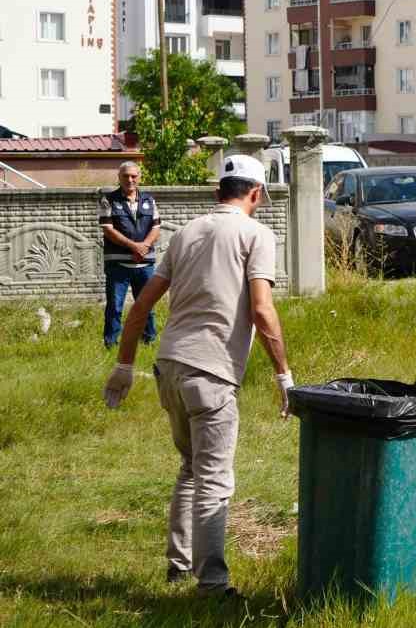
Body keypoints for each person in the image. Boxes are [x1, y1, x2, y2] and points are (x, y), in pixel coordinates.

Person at [101, 155, 293, 597]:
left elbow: (141, 305)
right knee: (214, 479)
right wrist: (284, 375)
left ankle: (178, 565)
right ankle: (212, 583)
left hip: (169, 365)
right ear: (256, 194)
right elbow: (262, 310)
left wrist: (124, 364)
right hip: (212, 373)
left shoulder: (186, 232)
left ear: (216, 193)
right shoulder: (256, 234)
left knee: (190, 469)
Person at [100, 160, 161, 348]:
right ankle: (111, 344)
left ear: (139, 178)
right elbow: (107, 228)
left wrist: (144, 246)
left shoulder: (149, 200)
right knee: (115, 307)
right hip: (118, 264)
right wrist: (134, 246)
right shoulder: (108, 200)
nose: (130, 179)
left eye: (134, 176)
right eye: (125, 176)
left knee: (146, 307)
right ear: (119, 177)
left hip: (145, 264)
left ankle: (148, 341)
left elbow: (156, 227)